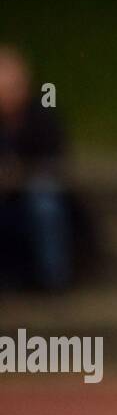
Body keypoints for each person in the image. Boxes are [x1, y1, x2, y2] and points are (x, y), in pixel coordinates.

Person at [0, 46, 72, 292]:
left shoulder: (41, 114)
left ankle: (54, 279)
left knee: (45, 202)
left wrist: (18, 173)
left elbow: (56, 161)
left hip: (35, 190)